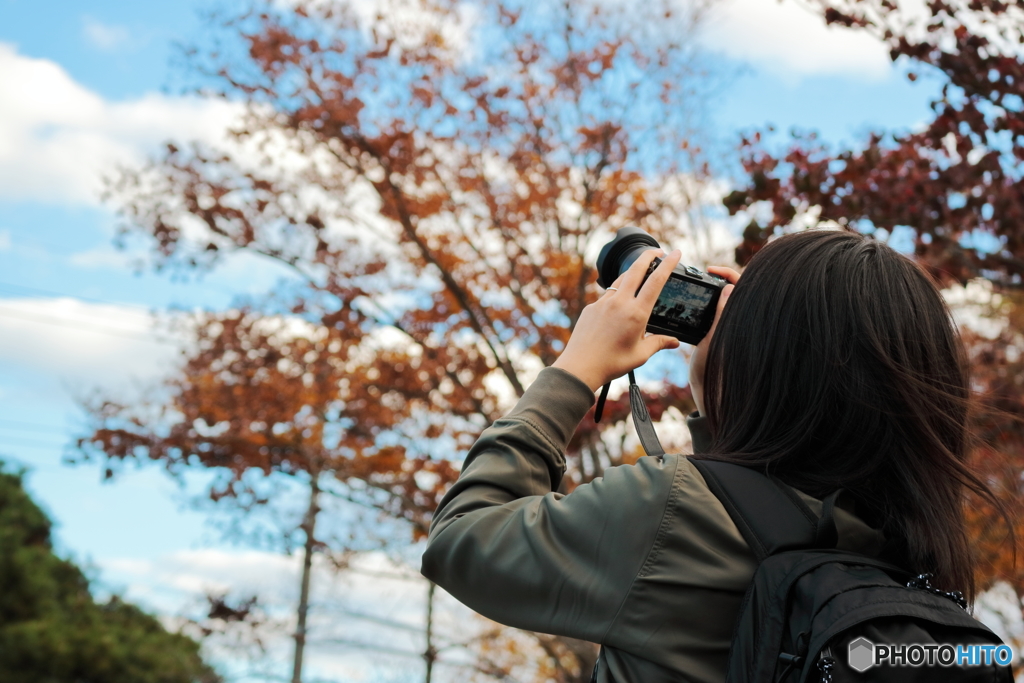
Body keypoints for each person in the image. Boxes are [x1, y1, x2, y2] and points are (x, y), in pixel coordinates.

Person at [420, 229, 998, 683]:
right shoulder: (909, 546)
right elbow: (758, 493)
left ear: (760, 366)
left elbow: (463, 536)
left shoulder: (670, 513)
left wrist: (575, 370)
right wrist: (763, 339)